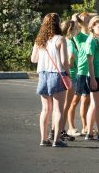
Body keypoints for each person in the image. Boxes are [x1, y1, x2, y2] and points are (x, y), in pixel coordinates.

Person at [31, 13, 70, 147]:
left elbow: (33, 59)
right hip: (57, 75)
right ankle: (57, 140)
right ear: (58, 24)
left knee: (45, 109)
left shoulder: (39, 40)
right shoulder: (60, 39)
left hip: (43, 75)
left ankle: (43, 139)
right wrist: (68, 74)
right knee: (58, 109)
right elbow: (64, 61)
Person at [72, 12, 93, 136]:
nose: (86, 21)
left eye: (88, 20)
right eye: (84, 20)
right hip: (80, 72)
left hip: (90, 73)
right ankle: (70, 125)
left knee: (87, 101)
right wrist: (76, 17)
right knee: (75, 101)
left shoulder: (92, 36)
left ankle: (85, 126)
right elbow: (73, 23)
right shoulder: (78, 36)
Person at [61, 19, 81, 138]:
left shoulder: (68, 41)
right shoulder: (68, 42)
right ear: (70, 30)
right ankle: (61, 130)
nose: (77, 30)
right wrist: (71, 63)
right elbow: (69, 57)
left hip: (70, 75)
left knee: (64, 105)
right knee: (65, 105)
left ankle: (60, 129)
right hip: (71, 76)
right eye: (75, 28)